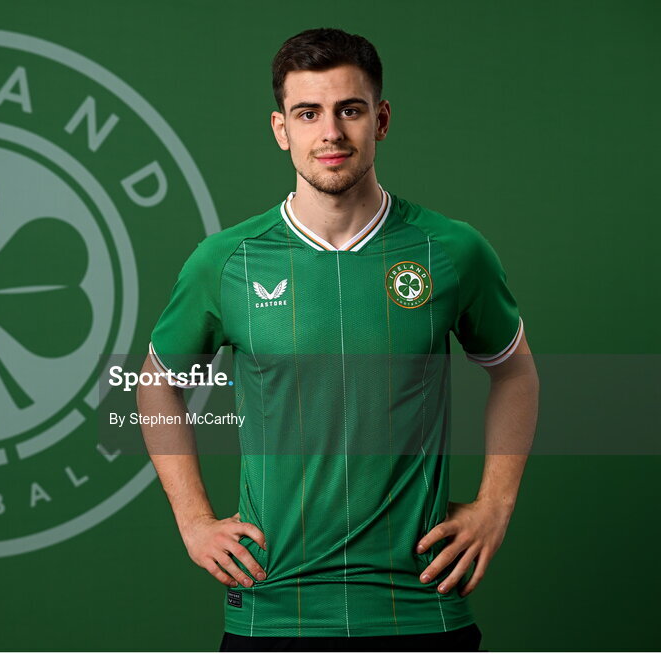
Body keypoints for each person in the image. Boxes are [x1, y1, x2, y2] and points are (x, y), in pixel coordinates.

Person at [135, 28, 540, 652]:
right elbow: (157, 385)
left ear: (380, 119)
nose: (330, 132)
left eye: (349, 110)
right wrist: (194, 520)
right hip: (273, 608)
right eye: (308, 113)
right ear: (281, 129)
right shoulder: (225, 261)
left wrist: (494, 507)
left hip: (421, 609)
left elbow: (514, 373)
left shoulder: (453, 250)